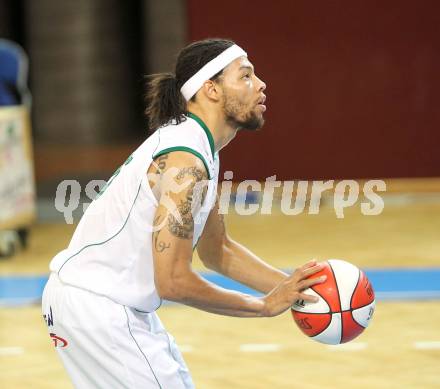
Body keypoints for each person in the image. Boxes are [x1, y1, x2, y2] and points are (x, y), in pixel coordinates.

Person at [42, 38, 326, 389]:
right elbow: (174, 281)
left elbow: (217, 250)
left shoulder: (198, 146)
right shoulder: (185, 161)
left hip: (99, 304)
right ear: (211, 89)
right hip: (100, 308)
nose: (261, 84)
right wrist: (264, 306)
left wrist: (294, 290)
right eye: (246, 76)